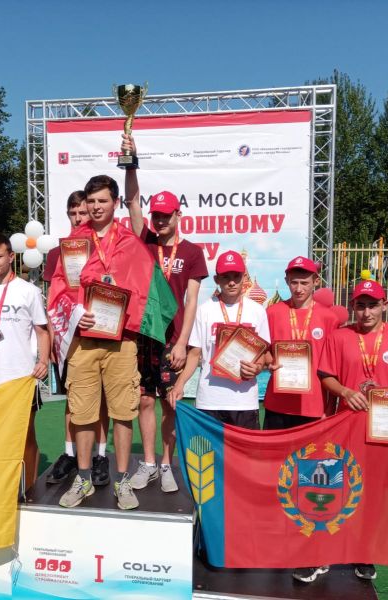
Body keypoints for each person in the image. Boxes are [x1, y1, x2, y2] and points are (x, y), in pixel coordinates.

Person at [55, 175, 173, 511]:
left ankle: (121, 479)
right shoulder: (74, 242)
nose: (96, 207)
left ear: (115, 203)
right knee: (82, 412)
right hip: (84, 341)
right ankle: (83, 477)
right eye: (91, 201)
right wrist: (75, 312)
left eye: (102, 201)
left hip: (121, 341)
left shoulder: (130, 242)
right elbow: (60, 287)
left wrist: (131, 319)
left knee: (123, 412)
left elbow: (146, 289)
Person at [304, 279, 388, 584]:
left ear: (385, 305)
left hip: (387, 430)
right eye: (361, 306)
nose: (367, 313)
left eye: (373, 305)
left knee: (375, 493)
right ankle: (323, 555)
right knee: (336, 490)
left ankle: (365, 554)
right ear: (353, 307)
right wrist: (345, 391)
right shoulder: (339, 336)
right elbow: (326, 377)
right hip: (347, 426)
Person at [123, 135, 208, 493]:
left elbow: (192, 300)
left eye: (165, 215)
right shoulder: (144, 240)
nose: (158, 220)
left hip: (173, 338)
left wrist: (183, 342)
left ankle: (167, 464)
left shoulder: (192, 252)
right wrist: (131, 161)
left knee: (170, 402)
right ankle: (148, 463)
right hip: (145, 336)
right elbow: (131, 201)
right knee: (144, 399)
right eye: (155, 215)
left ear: (178, 215)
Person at [43, 191, 111, 487]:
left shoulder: (103, 248)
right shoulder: (56, 252)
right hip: (69, 334)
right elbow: (51, 299)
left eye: (83, 212)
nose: (79, 218)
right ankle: (70, 453)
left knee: (102, 398)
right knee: (73, 397)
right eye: (73, 213)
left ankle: (101, 455)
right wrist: (52, 336)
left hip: (99, 330)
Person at [0, 233, 50, 488]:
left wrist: (43, 360)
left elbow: (42, 331)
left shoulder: (29, 291)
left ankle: (29, 489)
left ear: (11, 256)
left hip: (21, 377)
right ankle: (1, 487)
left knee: (25, 435)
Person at [169, 251, 270, 429]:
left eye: (236, 276)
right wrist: (179, 384)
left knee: (243, 449)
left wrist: (257, 368)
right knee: (208, 448)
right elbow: (194, 354)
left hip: (244, 401)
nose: (231, 282)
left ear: (244, 278)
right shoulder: (204, 310)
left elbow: (263, 353)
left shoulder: (257, 311)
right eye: (225, 277)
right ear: (216, 280)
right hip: (210, 400)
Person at [263, 256, 340, 429]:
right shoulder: (272, 313)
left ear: (316, 281)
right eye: (294, 282)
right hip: (278, 402)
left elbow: (333, 368)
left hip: (313, 405)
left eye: (304, 283)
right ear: (286, 281)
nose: (298, 289)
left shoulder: (329, 318)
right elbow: (264, 350)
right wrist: (270, 362)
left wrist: (330, 407)